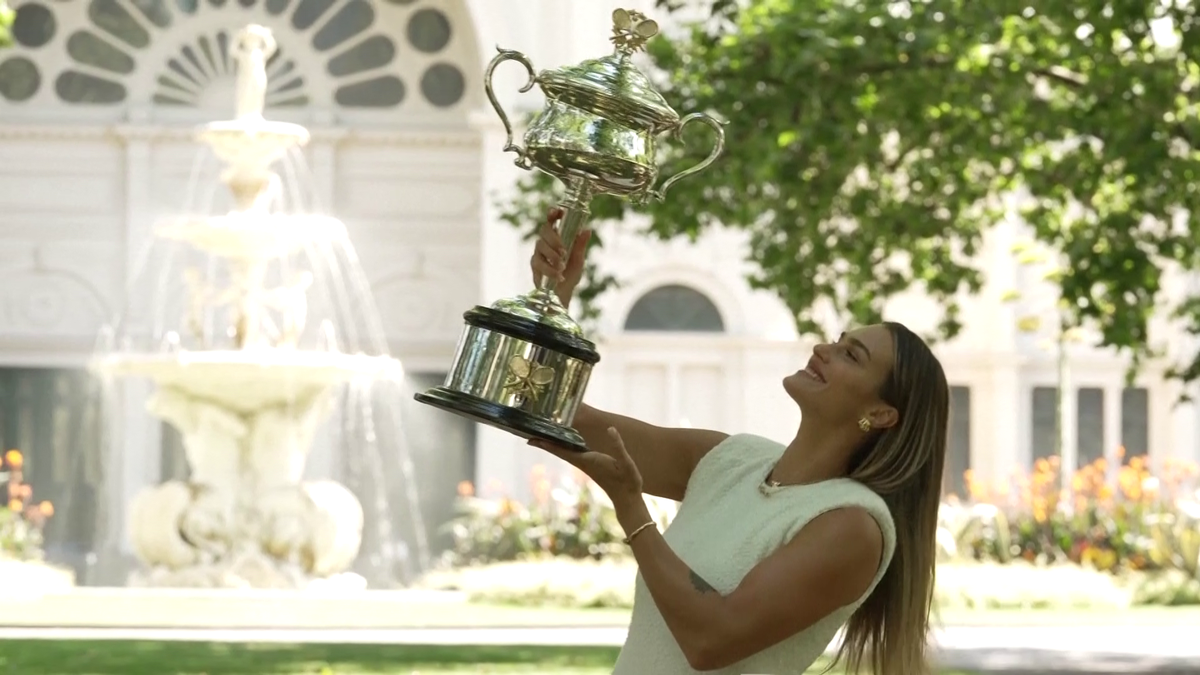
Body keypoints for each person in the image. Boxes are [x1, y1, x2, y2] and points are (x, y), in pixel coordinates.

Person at [526, 208, 949, 675]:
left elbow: (710, 641)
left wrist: (631, 507)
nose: (822, 349)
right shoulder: (729, 460)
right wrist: (551, 302)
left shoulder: (851, 525)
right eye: (837, 339)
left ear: (879, 413)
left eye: (851, 354)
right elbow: (545, 411)